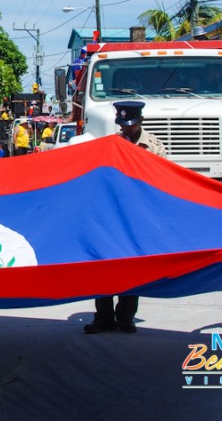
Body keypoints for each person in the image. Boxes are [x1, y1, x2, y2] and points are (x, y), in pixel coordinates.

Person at [84, 100, 167, 335]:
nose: (126, 129)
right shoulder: (111, 145)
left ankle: (126, 317)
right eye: (122, 124)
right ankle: (103, 317)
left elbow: (161, 180)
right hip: (111, 215)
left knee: (132, 267)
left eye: (130, 124)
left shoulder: (154, 146)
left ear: (140, 121)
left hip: (137, 216)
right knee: (104, 266)